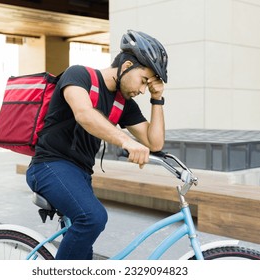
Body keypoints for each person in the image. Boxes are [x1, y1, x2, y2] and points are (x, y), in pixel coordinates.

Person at [26, 30, 168, 260]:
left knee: (84, 254)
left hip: (80, 174)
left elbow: (154, 141)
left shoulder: (124, 103)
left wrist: (157, 98)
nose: (143, 90)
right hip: (49, 166)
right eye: (144, 81)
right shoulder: (79, 75)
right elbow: (84, 114)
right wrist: (126, 141)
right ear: (127, 65)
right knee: (92, 218)